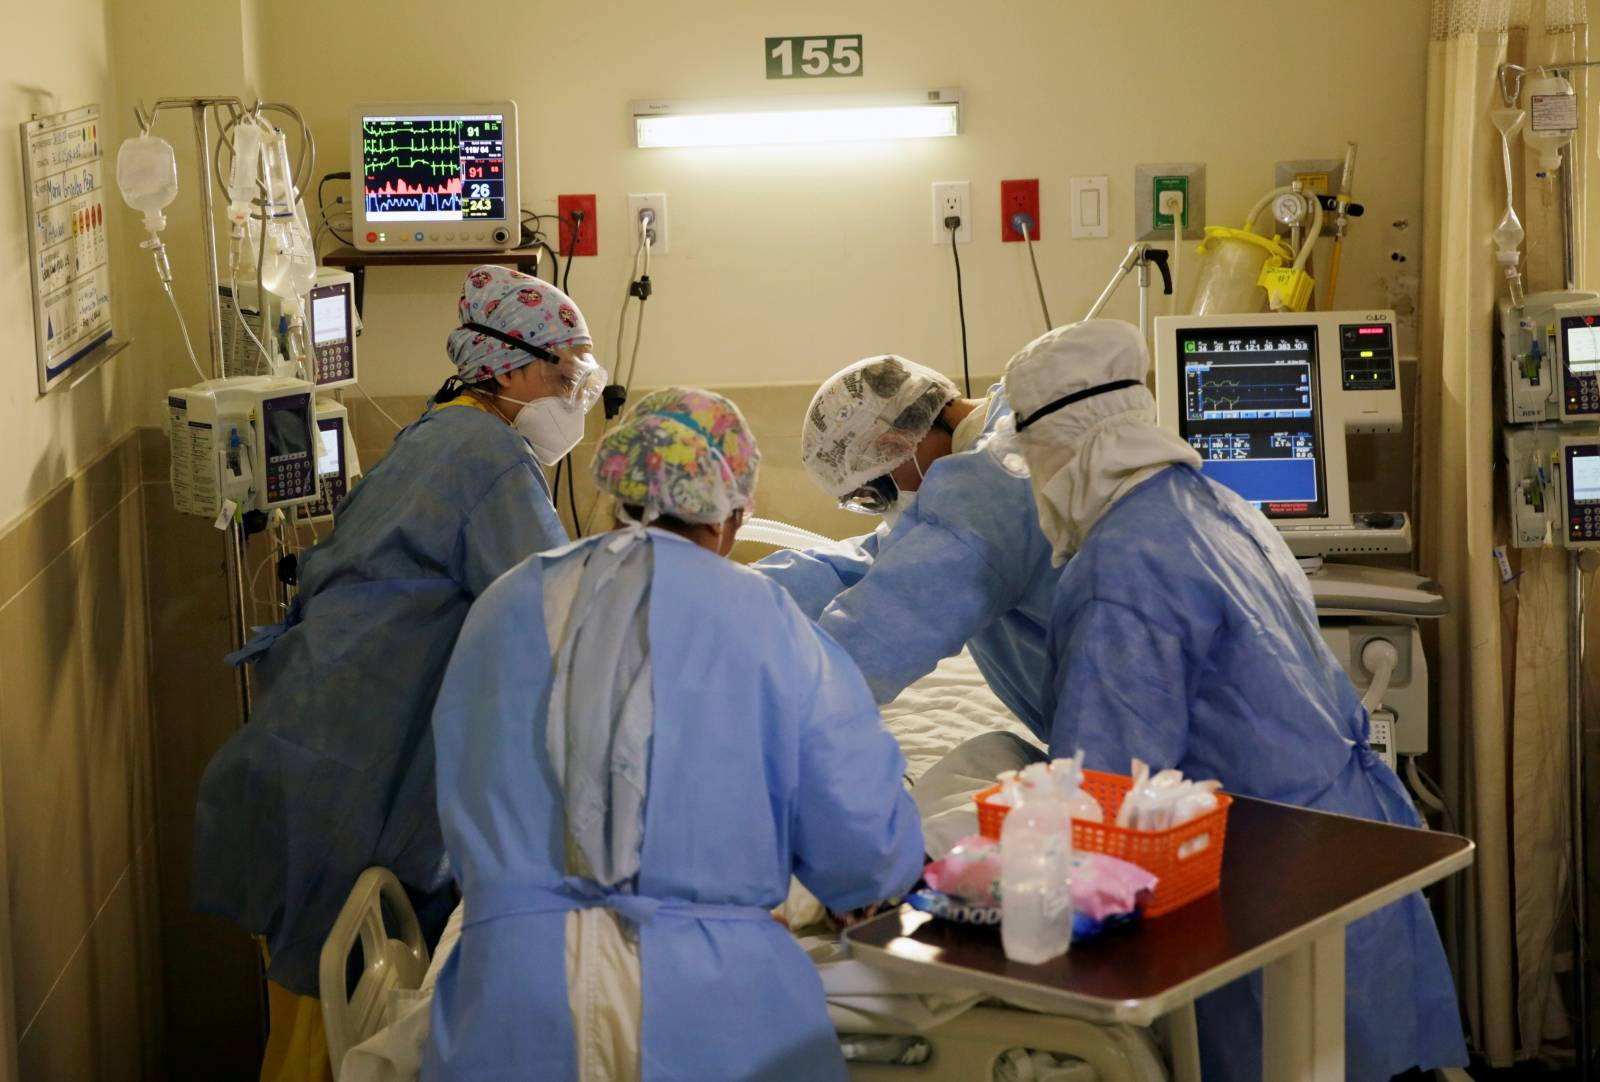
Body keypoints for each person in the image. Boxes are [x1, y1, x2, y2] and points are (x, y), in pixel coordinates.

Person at [995, 319, 1467, 1082]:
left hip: (1266, 875)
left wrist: (1018, 890)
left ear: (1060, 449)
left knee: (1292, 1054)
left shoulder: (1121, 566)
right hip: (1337, 837)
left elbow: (1103, 786)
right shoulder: (1216, 503)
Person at [423, 389, 923, 1082]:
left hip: (511, 997)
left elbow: (461, 790)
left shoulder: (504, 603)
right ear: (734, 513)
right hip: (710, 1007)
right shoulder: (765, 618)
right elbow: (865, 850)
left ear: (616, 494)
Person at [192, 266, 605, 1080]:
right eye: (568, 374)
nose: (577, 396)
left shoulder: (451, 431)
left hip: (333, 747)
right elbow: (555, 620)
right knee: (322, 1018)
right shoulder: (483, 455)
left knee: (321, 1002)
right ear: (507, 368)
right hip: (350, 773)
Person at [754, 355, 1063, 738]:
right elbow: (869, 562)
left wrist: (762, 710)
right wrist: (736, 594)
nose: (884, 508)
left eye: (874, 495)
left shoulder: (995, 481)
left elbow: (884, 626)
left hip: (1133, 744)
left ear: (894, 444)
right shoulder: (996, 442)